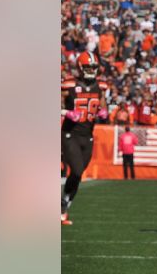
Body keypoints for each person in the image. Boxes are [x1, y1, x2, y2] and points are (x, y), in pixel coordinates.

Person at [62, 52, 109, 224]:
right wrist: (66, 112)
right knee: (75, 170)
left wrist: (104, 111)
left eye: (93, 67)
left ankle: (64, 207)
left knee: (78, 174)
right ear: (80, 67)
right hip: (70, 133)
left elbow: (102, 103)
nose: (91, 70)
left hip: (87, 135)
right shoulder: (70, 84)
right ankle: (61, 205)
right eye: (88, 67)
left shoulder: (101, 85)